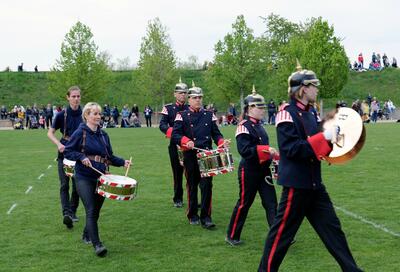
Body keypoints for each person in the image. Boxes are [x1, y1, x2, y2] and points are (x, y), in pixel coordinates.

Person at [258, 65, 363, 272]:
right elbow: (291, 149)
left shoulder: (311, 113)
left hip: (315, 185)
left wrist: (334, 136)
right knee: (280, 238)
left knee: (334, 232)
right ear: (303, 89)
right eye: (314, 86)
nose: (317, 89)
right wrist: (323, 137)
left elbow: (319, 145)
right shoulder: (285, 114)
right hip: (296, 187)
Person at [64, 102, 131, 257]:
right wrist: (81, 157)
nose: (98, 116)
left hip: (101, 177)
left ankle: (87, 234)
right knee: (91, 209)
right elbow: (68, 151)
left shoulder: (103, 135)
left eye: (99, 114)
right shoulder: (80, 132)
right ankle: (97, 245)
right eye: (94, 113)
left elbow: (109, 157)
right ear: (86, 115)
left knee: (96, 212)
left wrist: (123, 162)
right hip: (83, 177)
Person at [225, 87, 278, 246]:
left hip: (264, 170)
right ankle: (232, 235)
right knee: (244, 203)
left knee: (271, 203)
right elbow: (244, 150)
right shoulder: (243, 126)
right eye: (259, 107)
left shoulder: (260, 126)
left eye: (263, 107)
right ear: (249, 109)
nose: (263, 110)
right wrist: (265, 150)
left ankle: (278, 237)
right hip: (249, 171)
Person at [172, 85, 229, 229]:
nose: (198, 100)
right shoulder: (182, 115)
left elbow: (216, 133)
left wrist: (222, 142)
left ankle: (206, 216)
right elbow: (176, 135)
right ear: (189, 99)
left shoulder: (209, 114)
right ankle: (192, 214)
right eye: (194, 98)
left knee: (207, 186)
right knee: (192, 185)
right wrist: (186, 141)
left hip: (207, 154)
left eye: (200, 97)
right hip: (190, 155)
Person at [47, 86, 82, 229]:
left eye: (78, 96)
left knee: (77, 187)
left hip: (78, 154)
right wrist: (58, 144)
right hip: (63, 153)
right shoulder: (62, 115)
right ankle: (66, 214)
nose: (76, 99)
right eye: (73, 96)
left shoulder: (85, 114)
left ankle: (73, 211)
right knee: (64, 184)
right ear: (68, 97)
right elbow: (50, 133)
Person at [159, 78, 189, 208]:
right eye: (180, 93)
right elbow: (162, 125)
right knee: (177, 173)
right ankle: (178, 198)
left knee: (192, 173)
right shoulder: (168, 108)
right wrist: (175, 135)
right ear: (175, 94)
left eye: (185, 93)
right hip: (175, 145)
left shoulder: (190, 107)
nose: (183, 95)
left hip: (189, 145)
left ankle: (191, 198)